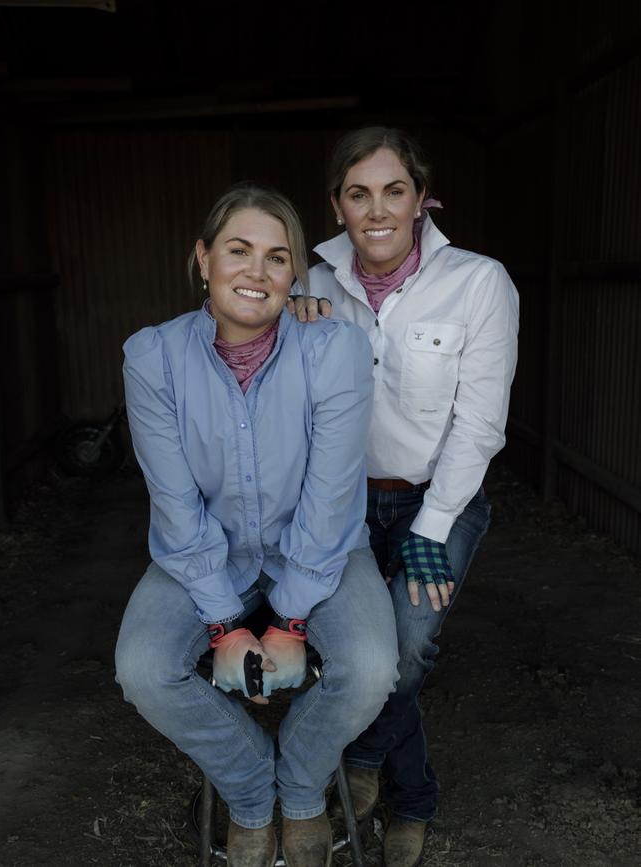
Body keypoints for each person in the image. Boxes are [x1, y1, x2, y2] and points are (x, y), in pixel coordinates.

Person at [114, 183, 399, 867]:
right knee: (144, 667)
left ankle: (300, 785)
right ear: (203, 258)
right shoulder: (153, 357)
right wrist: (224, 621)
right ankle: (249, 787)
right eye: (238, 251)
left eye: (277, 258)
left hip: (320, 550)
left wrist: (290, 620)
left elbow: (331, 498)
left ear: (294, 275)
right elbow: (175, 502)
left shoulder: (336, 350)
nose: (257, 272)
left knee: (370, 668)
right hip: (203, 554)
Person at [290, 127, 519, 867]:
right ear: (337, 205)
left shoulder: (480, 282)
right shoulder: (309, 281)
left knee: (410, 646)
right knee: (370, 655)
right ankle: (413, 796)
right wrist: (295, 328)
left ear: (422, 199)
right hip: (344, 505)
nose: (378, 210)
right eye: (359, 194)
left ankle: (361, 762)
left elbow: (481, 420)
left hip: (439, 498)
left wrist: (436, 519)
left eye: (394, 191)